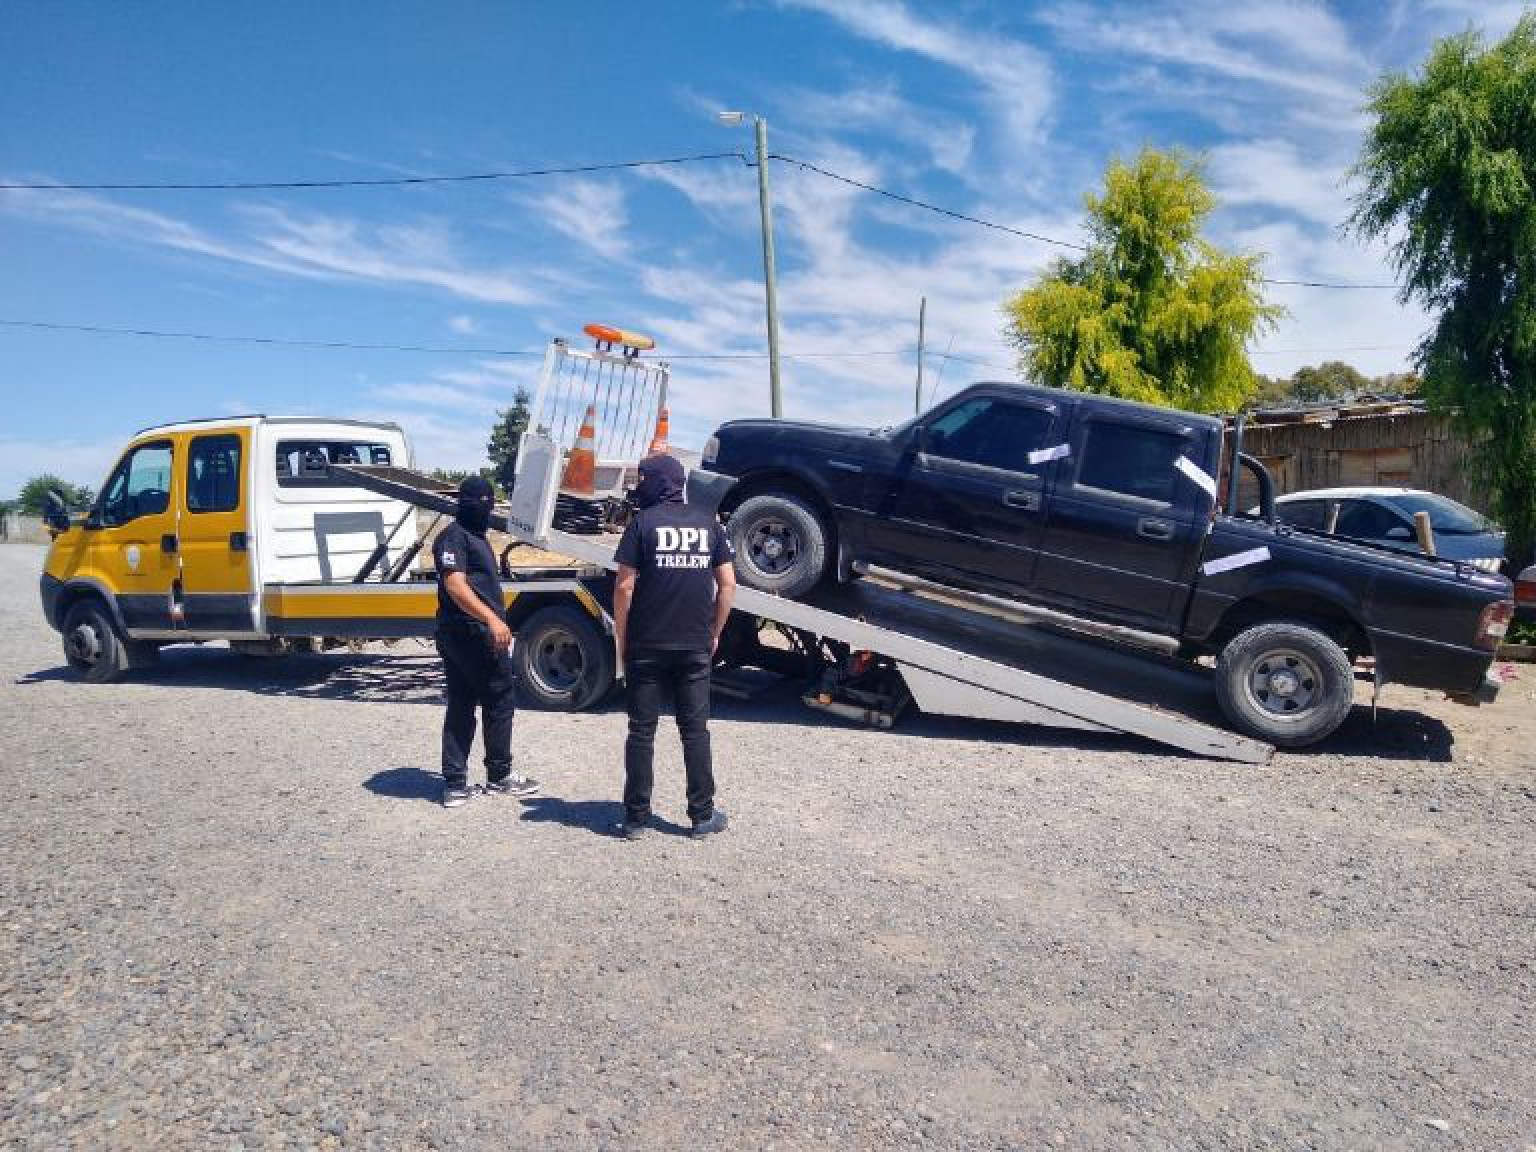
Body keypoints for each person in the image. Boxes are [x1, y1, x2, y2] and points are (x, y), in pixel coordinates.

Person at [612, 453, 736, 840]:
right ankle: (702, 816)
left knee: (642, 730)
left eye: (643, 478)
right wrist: (715, 630)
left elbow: (624, 585)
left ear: (658, 481)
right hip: (695, 644)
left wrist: (622, 637)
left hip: (647, 643)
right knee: (695, 731)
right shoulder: (708, 524)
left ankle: (635, 818)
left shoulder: (642, 524)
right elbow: (728, 584)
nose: (638, 486)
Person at [433, 475, 539, 808]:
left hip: (463, 632)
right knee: (498, 699)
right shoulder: (454, 538)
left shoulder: (472, 535)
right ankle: (498, 776)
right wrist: (492, 619)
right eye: (482, 503)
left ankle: (455, 783)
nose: (485, 508)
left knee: (462, 703)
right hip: (470, 633)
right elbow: (455, 586)